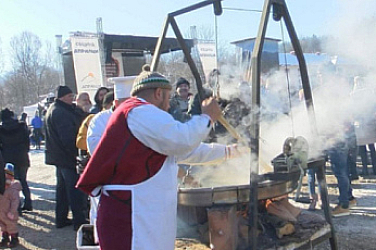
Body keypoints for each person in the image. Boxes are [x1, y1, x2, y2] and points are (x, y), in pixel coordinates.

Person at [77, 65, 244, 250]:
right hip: (133, 215)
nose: (169, 104)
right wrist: (207, 118)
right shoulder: (138, 111)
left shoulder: (142, 116)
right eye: (167, 97)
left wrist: (228, 151)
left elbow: (183, 150)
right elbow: (183, 139)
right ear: (158, 93)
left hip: (142, 212)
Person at [44, 85, 88, 231]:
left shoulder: (54, 110)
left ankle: (61, 218)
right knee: (74, 190)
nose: (72, 99)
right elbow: (68, 138)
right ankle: (79, 221)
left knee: (62, 191)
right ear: (62, 97)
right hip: (66, 158)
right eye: (70, 96)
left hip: (58, 158)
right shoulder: (61, 113)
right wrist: (77, 154)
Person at [0, 108, 32, 211]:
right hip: (22, 157)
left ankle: (16, 207)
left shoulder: (1, 129)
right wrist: (25, 151)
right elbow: (27, 141)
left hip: (8, 159)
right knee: (23, 180)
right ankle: (28, 203)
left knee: (12, 184)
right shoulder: (21, 126)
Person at [0, 163, 21, 248]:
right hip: (1, 210)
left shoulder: (13, 188)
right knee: (2, 225)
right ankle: (5, 237)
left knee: (11, 225)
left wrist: (12, 211)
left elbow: (15, 201)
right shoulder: (1, 186)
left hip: (9, 212)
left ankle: (14, 238)